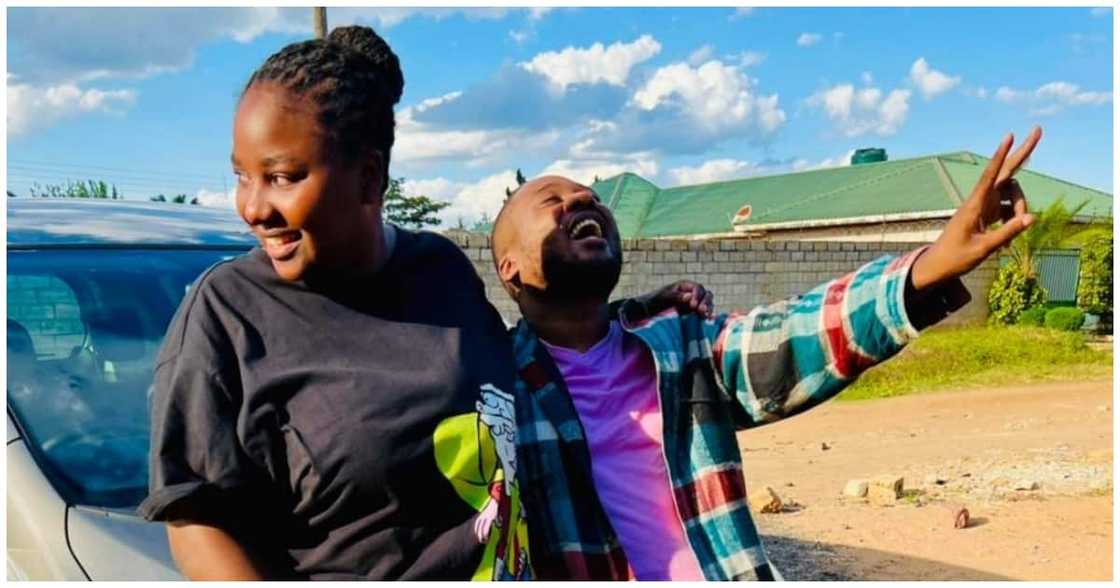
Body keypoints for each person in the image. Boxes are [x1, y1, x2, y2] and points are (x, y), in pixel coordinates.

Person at [139, 25, 703, 581]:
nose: (253, 207)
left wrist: (625, 319)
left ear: (369, 178)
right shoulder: (229, 313)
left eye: (282, 177)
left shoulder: (441, 270)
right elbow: (195, 515)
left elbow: (525, 369)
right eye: (242, 176)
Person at [489, 129, 1042, 580]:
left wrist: (929, 269)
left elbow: (793, 336)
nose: (583, 200)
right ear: (509, 268)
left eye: (588, 196)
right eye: (553, 201)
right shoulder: (496, 386)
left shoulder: (683, 345)